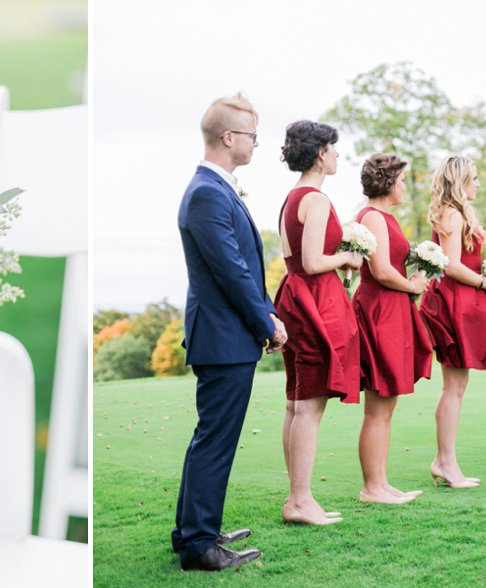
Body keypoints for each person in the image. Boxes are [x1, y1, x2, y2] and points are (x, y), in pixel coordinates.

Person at [173, 93, 283, 571]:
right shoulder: (207, 193)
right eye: (253, 135)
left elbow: (244, 267)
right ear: (228, 136)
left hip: (227, 335)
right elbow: (232, 273)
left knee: (211, 438)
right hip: (223, 338)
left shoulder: (217, 190)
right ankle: (199, 544)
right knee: (215, 441)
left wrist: (268, 313)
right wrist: (267, 323)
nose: (256, 144)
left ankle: (192, 530)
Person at [274, 120, 361, 525]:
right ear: (321, 154)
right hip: (314, 303)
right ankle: (299, 500)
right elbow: (311, 262)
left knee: (296, 403)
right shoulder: (317, 199)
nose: (338, 154)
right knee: (308, 405)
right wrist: (347, 258)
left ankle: (298, 496)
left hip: (293, 297)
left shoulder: (291, 198)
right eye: (333, 148)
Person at [419, 155, 486, 488]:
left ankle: (445, 461)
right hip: (453, 304)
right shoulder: (451, 213)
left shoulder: (456, 212)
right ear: (459, 181)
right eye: (473, 178)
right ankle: (444, 462)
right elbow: (452, 265)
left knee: (456, 386)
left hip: (462, 302)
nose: (478, 183)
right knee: (453, 388)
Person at [352, 153, 431, 505]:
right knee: (378, 404)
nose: (404, 187)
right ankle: (371, 487)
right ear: (386, 182)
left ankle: (381, 483)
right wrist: (411, 285)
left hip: (393, 309)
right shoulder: (373, 216)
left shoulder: (385, 217)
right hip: (380, 310)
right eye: (400, 180)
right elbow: (381, 270)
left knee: (387, 404)